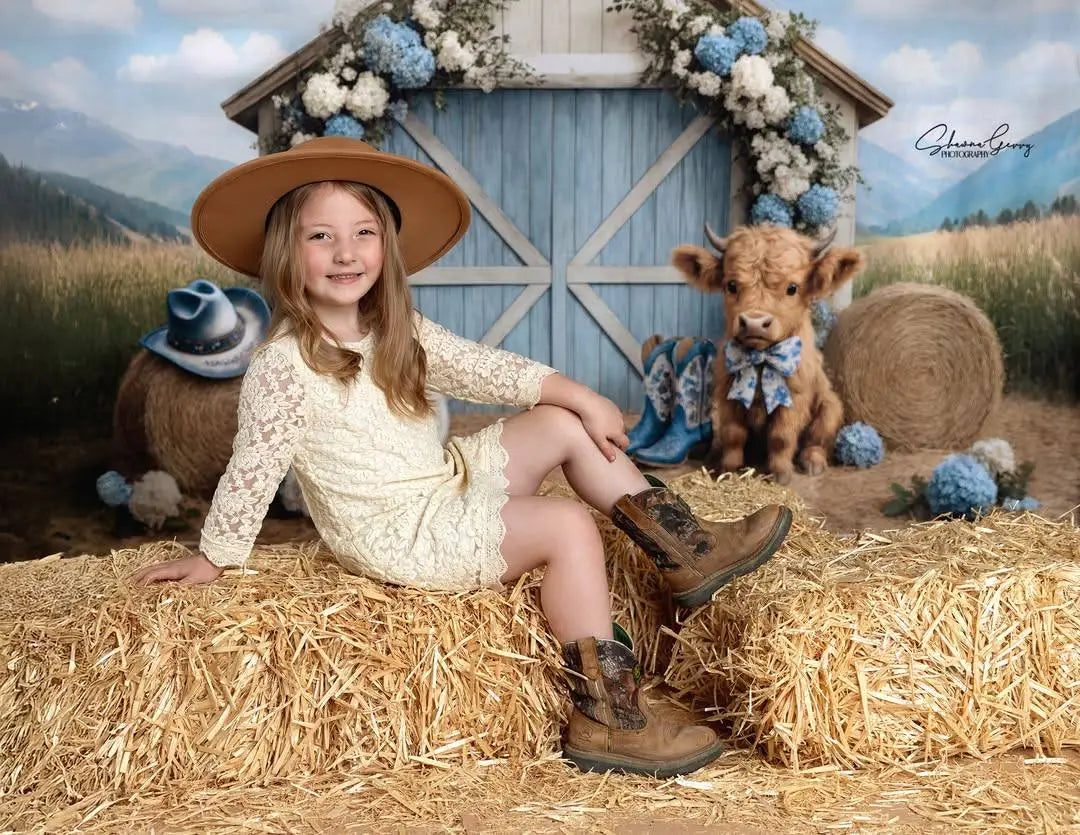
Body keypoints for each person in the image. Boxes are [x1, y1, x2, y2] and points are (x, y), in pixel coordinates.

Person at [128, 137, 793, 778]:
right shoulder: (283, 365)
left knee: (559, 421)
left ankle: (688, 549)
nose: (345, 252)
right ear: (285, 252)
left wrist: (580, 393)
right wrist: (215, 554)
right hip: (397, 530)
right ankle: (609, 714)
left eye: (363, 232)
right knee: (566, 527)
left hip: (445, 483)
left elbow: (483, 369)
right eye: (320, 236)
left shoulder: (396, 330)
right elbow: (253, 466)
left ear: (386, 246)